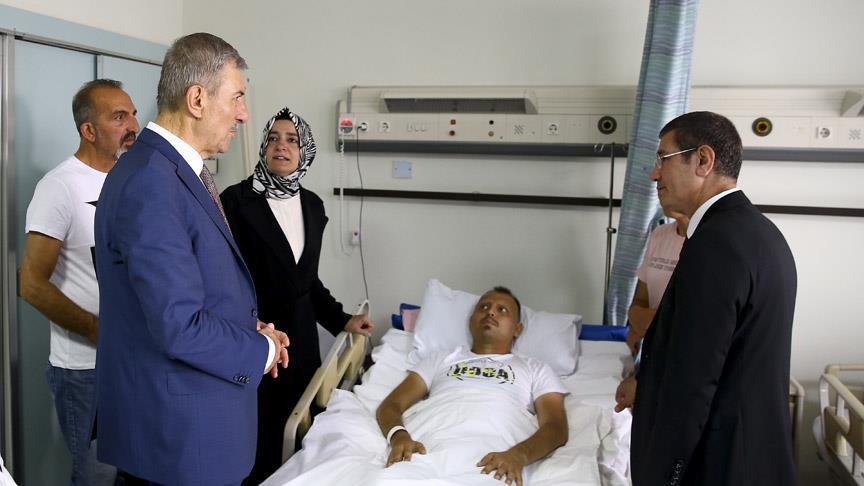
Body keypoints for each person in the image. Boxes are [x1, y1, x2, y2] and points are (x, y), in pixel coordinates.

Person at [93, 33, 290, 485]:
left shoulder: (174, 172)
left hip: (191, 431)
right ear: (197, 99)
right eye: (237, 97)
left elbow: (185, 291)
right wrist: (262, 350)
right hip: (178, 442)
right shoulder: (152, 182)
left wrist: (247, 326)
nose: (244, 113)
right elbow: (178, 324)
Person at [630, 111, 797, 485]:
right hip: (754, 455)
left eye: (663, 159)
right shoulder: (761, 234)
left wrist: (665, 476)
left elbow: (692, 382)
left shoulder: (713, 245)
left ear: (703, 160)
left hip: (719, 465)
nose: (655, 174)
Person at [220, 107, 375, 484]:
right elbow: (222, 279)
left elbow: (306, 282)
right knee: (253, 445)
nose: (282, 146)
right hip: (254, 338)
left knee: (296, 442)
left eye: (292, 140)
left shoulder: (313, 206)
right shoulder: (236, 201)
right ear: (263, 146)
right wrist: (250, 328)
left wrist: (343, 320)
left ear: (305, 151)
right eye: (273, 138)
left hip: (301, 342)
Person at [20, 78, 139, 486]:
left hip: (135, 362)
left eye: (133, 114)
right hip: (86, 371)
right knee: (97, 478)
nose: (133, 125)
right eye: (119, 117)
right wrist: (95, 329)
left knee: (136, 473)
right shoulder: (59, 187)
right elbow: (30, 283)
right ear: (89, 130)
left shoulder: (132, 180)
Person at [376, 287, 568, 486]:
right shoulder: (440, 359)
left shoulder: (535, 368)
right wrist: (398, 436)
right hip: (424, 452)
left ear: (517, 329)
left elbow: (555, 427)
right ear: (471, 320)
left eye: (502, 310)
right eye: (483, 307)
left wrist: (519, 455)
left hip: (497, 461)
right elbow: (391, 405)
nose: (490, 312)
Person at [614, 210, 688, 413]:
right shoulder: (660, 234)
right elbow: (638, 302)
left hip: (680, 367)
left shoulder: (709, 241)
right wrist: (638, 322)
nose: (660, 195)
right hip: (653, 357)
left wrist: (650, 323)